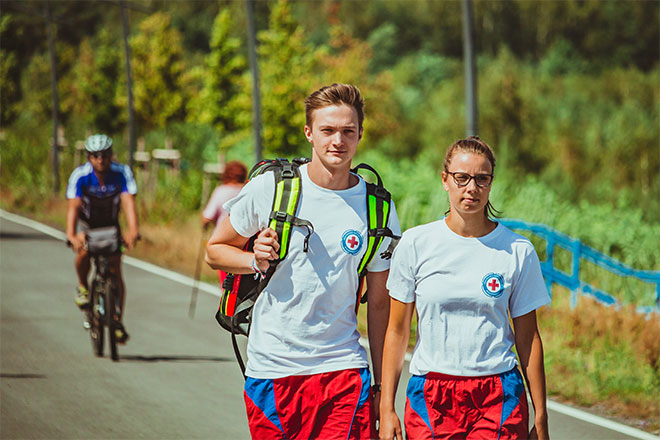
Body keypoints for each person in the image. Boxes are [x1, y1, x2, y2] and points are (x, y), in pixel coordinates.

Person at [205, 83, 401, 439]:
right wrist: (254, 259)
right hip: (273, 368)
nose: (337, 141)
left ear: (360, 134)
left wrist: (383, 394)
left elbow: (380, 307)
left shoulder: (378, 209)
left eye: (347, 131)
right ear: (309, 132)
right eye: (327, 130)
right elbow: (215, 250)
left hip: (343, 369)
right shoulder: (273, 189)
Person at [379, 136, 550, 440]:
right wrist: (386, 406)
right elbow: (397, 331)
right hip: (432, 394)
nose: (471, 188)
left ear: (491, 183)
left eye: (481, 179)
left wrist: (541, 416)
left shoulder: (517, 250)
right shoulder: (416, 243)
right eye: (462, 178)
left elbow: (528, 337)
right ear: (445, 180)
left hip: (498, 393)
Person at [66, 134, 139, 343]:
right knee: (83, 252)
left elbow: (128, 204)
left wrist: (132, 231)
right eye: (96, 155)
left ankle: (117, 320)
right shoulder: (80, 175)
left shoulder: (122, 172)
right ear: (89, 157)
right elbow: (73, 208)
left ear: (111, 155)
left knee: (115, 268)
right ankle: (82, 286)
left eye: (105, 155)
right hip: (88, 225)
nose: (101, 159)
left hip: (111, 224)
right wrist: (72, 235)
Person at [201, 160, 247, 286]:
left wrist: (205, 226)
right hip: (245, 245)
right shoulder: (247, 190)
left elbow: (207, 217)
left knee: (227, 285)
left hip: (225, 244)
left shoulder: (221, 191)